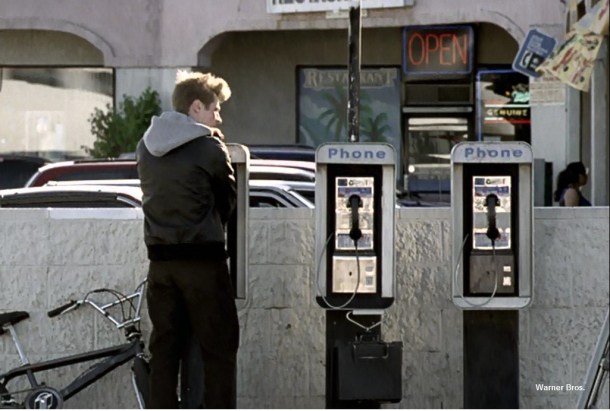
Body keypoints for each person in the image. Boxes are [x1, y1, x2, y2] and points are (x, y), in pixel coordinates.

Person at [136, 71, 239, 408]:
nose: (218, 118)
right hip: (203, 263)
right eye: (214, 109)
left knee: (165, 349)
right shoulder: (210, 147)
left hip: (160, 265)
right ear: (196, 107)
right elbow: (227, 201)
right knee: (219, 347)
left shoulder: (145, 146)